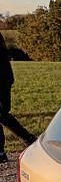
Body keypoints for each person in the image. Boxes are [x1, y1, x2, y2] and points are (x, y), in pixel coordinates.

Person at [0, 31, 36, 162]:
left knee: (2, 114)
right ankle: (28, 139)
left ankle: (28, 139)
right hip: (4, 78)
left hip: (2, 79)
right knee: (2, 115)